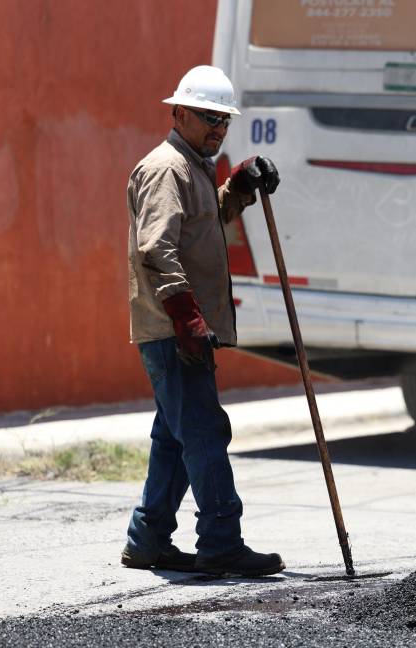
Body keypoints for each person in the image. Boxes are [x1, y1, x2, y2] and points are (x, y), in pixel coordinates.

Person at [122, 65, 284, 577]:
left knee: (175, 435)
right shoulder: (167, 168)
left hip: (180, 329)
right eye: (208, 117)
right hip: (174, 329)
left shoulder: (192, 167)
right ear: (179, 113)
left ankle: (147, 540)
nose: (217, 128)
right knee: (205, 432)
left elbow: (202, 225)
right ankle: (221, 540)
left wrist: (238, 186)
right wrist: (187, 317)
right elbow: (157, 249)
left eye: (224, 120)